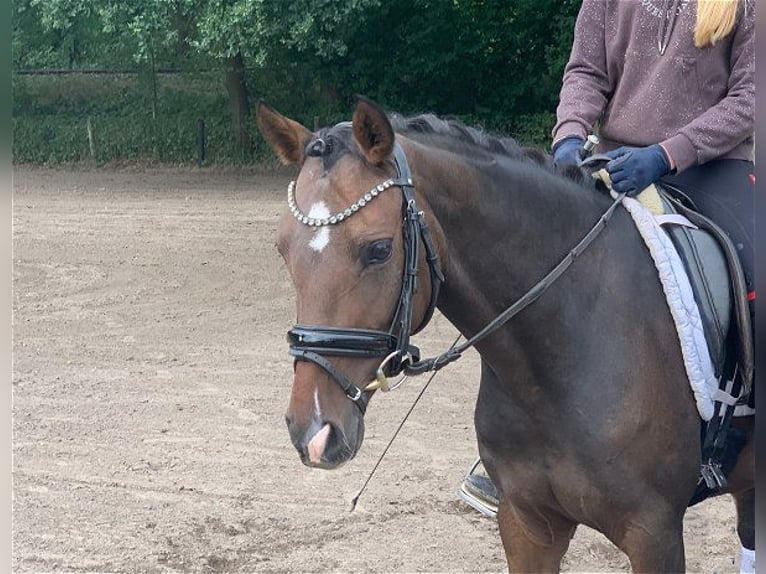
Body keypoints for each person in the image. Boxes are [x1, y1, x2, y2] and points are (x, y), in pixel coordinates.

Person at [459, 1, 754, 567]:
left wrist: (667, 154)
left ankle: (743, 426)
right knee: (528, 273)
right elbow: (586, 71)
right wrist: (570, 137)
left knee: (758, 266)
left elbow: (750, 99)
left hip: (712, 170)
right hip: (616, 161)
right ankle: (516, 452)